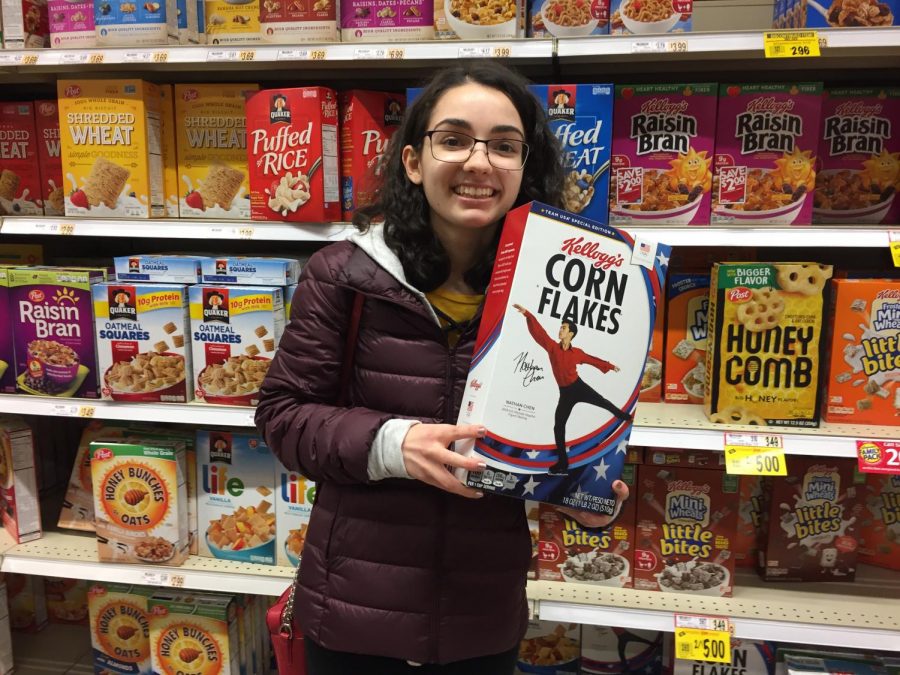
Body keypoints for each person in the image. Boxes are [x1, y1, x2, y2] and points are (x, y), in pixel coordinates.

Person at [256, 61, 630, 675]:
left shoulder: (559, 289)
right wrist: (394, 444)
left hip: (481, 621)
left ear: (523, 167)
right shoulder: (343, 274)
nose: (479, 163)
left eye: (504, 146)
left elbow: (547, 441)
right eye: (453, 140)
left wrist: (584, 496)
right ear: (412, 161)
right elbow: (283, 417)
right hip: (352, 617)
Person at [512, 304, 631, 476]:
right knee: (558, 426)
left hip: (579, 387)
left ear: (571, 333)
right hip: (565, 393)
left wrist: (610, 366)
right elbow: (539, 334)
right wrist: (527, 314)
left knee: (603, 402)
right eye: (560, 327)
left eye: (564, 328)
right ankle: (562, 462)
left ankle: (625, 417)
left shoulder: (577, 353)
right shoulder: (552, 347)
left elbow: (592, 360)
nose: (560, 330)